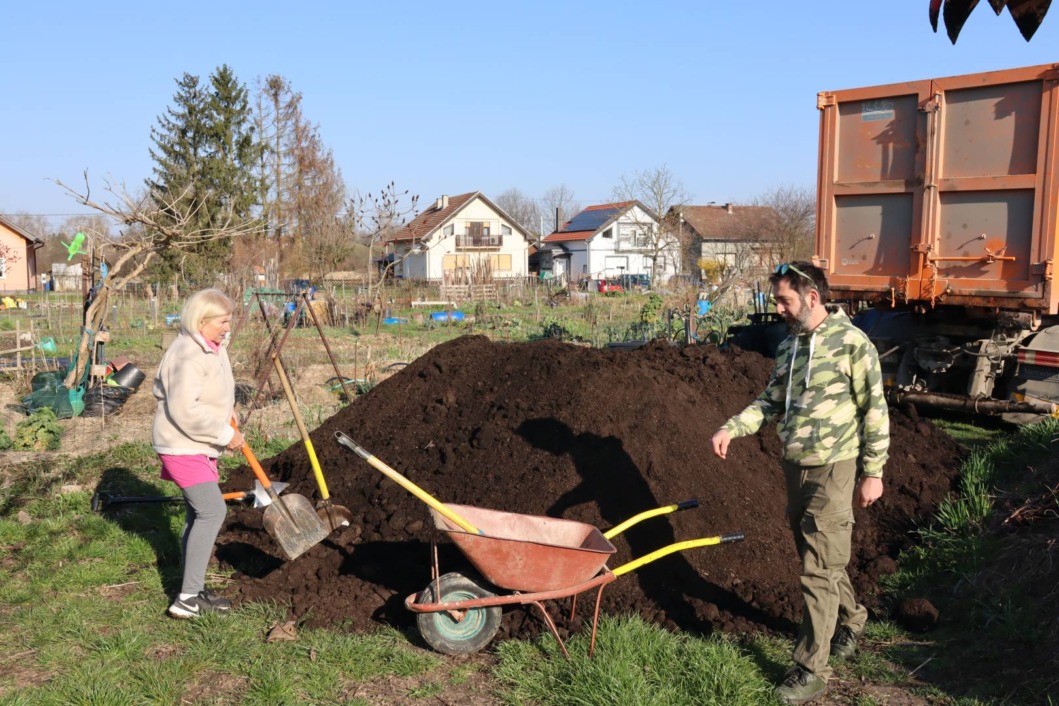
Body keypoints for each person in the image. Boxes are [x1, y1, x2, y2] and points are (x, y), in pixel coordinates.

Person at [711, 261, 889, 705]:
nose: (779, 309)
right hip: (796, 467)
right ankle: (852, 618)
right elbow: (770, 400)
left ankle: (811, 668)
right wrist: (732, 428)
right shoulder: (791, 347)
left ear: (812, 298)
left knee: (817, 567)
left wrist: (873, 472)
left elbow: (875, 409)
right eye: (776, 300)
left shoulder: (853, 344)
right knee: (818, 554)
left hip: (835, 466)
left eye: (784, 300)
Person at [152, 288, 243, 619]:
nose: (228, 326)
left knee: (197, 515)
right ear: (201, 321)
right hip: (182, 444)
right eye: (222, 320)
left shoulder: (211, 348)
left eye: (229, 319)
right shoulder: (187, 354)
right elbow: (185, 411)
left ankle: (193, 586)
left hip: (197, 444)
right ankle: (187, 600)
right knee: (211, 512)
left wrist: (229, 414)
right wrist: (224, 434)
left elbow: (213, 390)